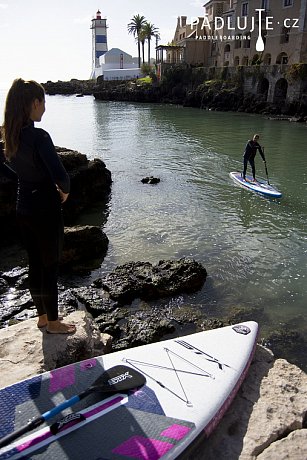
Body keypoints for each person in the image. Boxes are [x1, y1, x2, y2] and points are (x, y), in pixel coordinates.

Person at [0, 78, 76, 334]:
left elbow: (7, 169)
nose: (44, 108)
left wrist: (23, 178)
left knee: (34, 264)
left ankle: (42, 318)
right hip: (45, 210)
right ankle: (54, 323)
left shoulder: (12, 134)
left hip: (24, 210)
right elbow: (61, 175)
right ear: (34, 103)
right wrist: (64, 191)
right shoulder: (39, 136)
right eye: (43, 103)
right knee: (50, 266)